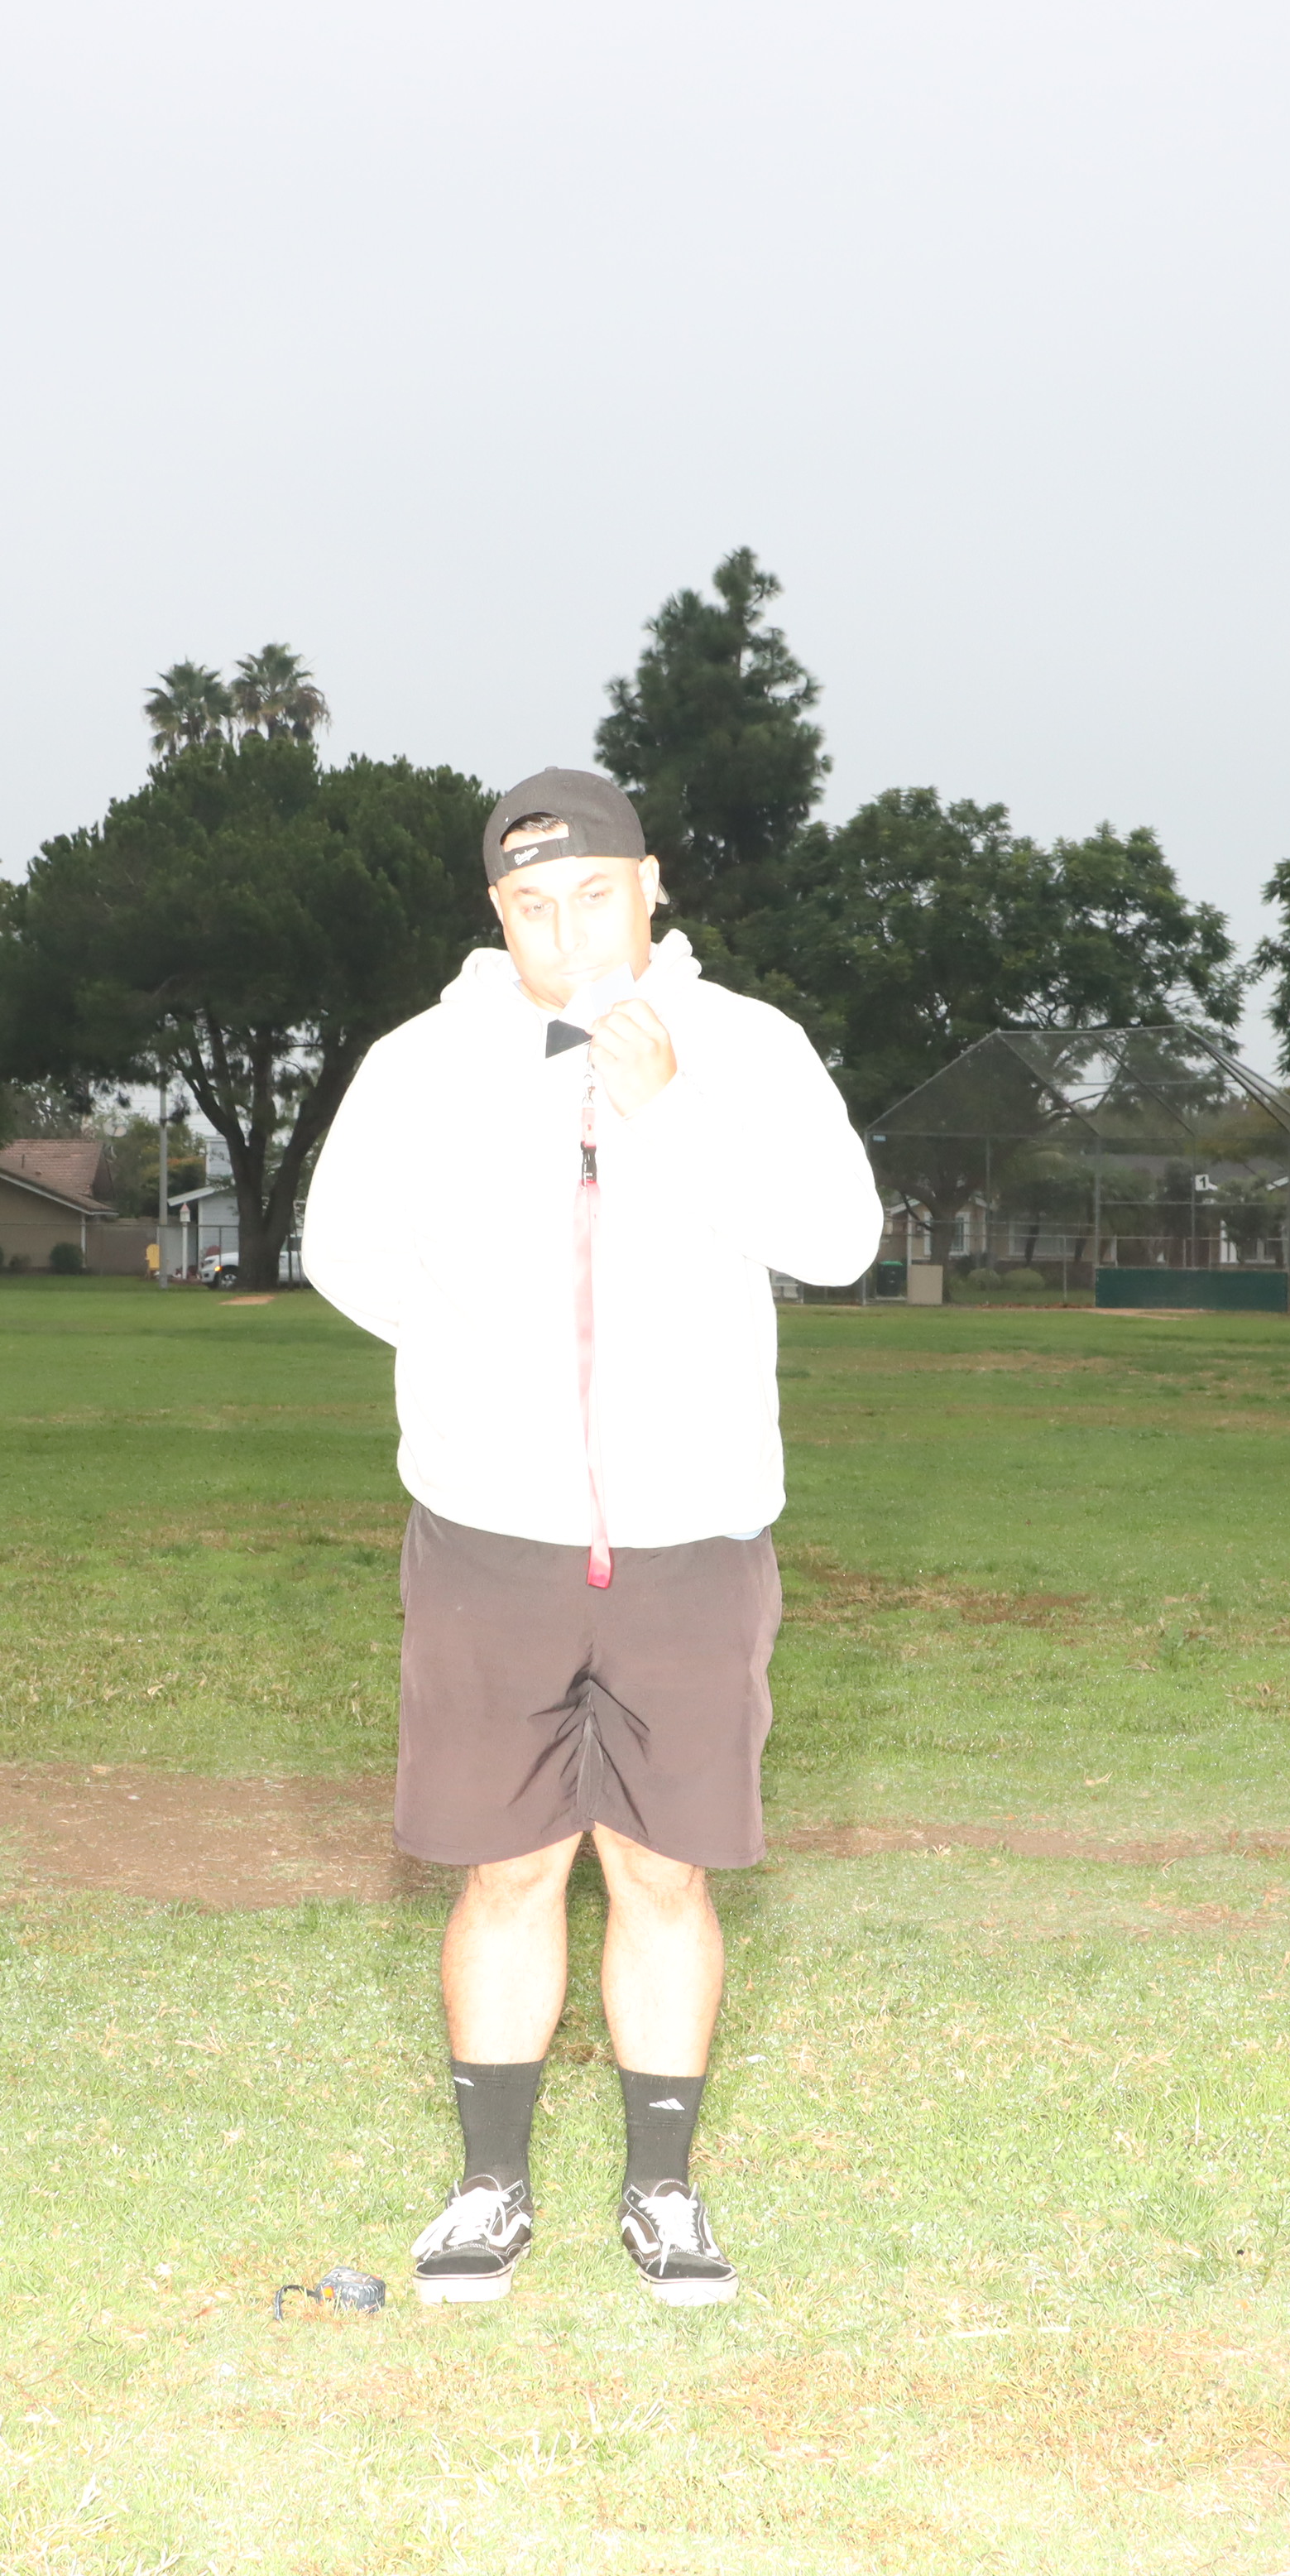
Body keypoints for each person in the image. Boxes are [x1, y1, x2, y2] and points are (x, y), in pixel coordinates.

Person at [305, 767, 881, 2306]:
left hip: (695, 1537)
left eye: (593, 894)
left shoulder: (750, 1045)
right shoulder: (421, 1062)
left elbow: (840, 1241)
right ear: (498, 913)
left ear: (651, 884)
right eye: (531, 904)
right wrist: (473, 1361)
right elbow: (345, 1249)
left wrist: (670, 1108)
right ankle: (489, 2189)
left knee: (664, 1873)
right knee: (505, 1870)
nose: (565, 930)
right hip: (491, 1535)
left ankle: (663, 2194)